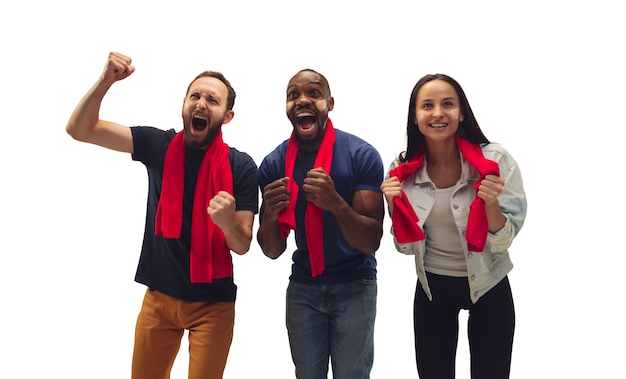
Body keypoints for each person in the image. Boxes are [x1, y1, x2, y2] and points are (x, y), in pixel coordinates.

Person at [65, 52, 259, 379]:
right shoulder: (159, 145)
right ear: (184, 104)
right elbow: (80, 130)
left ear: (227, 116)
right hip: (159, 299)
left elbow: (242, 244)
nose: (201, 103)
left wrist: (226, 222)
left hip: (213, 305)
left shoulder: (242, 167)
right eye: (194, 96)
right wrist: (105, 82)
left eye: (212, 100)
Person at [380, 73, 527, 379]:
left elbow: (503, 242)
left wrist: (490, 204)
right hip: (433, 289)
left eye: (448, 104)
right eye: (427, 106)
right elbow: (405, 248)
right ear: (415, 117)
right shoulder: (400, 170)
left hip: (488, 285)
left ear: (462, 113)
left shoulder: (495, 162)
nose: (437, 113)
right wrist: (394, 207)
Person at [257, 69, 384, 379]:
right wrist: (270, 216)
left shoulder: (361, 155)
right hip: (303, 288)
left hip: (356, 284)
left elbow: (370, 242)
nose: (303, 100)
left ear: (330, 103)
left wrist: (335, 203)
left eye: (313, 93)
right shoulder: (274, 165)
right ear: (286, 107)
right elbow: (272, 250)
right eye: (293, 95)